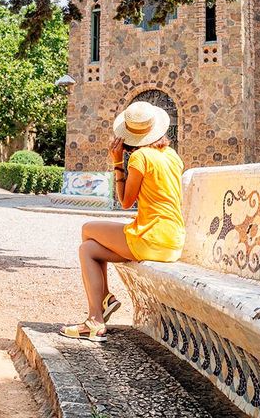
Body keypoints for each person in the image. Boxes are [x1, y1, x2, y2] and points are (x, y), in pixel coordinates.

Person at [60, 100, 185, 342]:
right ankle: (97, 314)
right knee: (88, 250)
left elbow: (126, 201)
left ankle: (100, 311)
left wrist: (118, 162)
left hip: (151, 238)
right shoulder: (172, 155)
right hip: (173, 239)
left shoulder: (141, 158)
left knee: (87, 229)